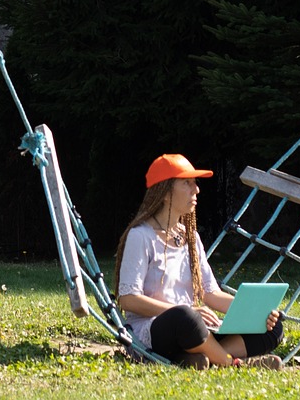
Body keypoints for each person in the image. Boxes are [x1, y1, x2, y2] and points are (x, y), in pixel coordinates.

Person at [115, 153, 284, 370]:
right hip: (157, 329)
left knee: (273, 327)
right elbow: (128, 299)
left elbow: (210, 293)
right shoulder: (140, 236)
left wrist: (256, 311)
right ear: (165, 191)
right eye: (187, 183)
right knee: (185, 317)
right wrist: (186, 309)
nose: (196, 190)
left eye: (195, 183)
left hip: (195, 330)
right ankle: (231, 363)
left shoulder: (190, 237)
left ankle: (195, 357)